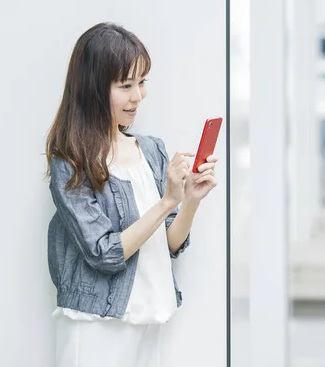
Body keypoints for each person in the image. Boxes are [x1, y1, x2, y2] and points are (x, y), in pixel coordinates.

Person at [44, 22, 219, 367]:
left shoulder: (151, 149)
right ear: (93, 89)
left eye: (141, 82)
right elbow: (105, 253)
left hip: (151, 318)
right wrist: (168, 200)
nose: (138, 96)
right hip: (95, 325)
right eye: (126, 85)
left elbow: (169, 244)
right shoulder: (71, 160)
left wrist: (190, 200)